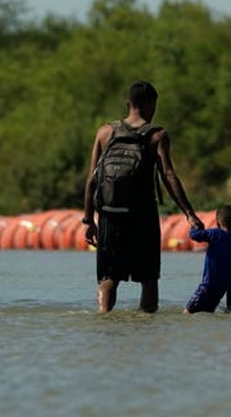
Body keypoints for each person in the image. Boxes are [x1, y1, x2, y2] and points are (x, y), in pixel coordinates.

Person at [83, 80, 204, 313]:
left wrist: (88, 221)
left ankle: (103, 319)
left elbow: (91, 180)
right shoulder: (157, 135)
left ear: (128, 103)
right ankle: (147, 325)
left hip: (109, 214)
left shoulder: (105, 133)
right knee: (148, 278)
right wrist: (189, 213)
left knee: (108, 277)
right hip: (142, 215)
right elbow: (169, 175)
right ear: (152, 104)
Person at [184, 205, 231, 314]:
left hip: (206, 288)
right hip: (219, 293)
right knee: (207, 315)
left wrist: (195, 225)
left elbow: (195, 236)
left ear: (218, 223)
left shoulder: (215, 234)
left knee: (186, 315)